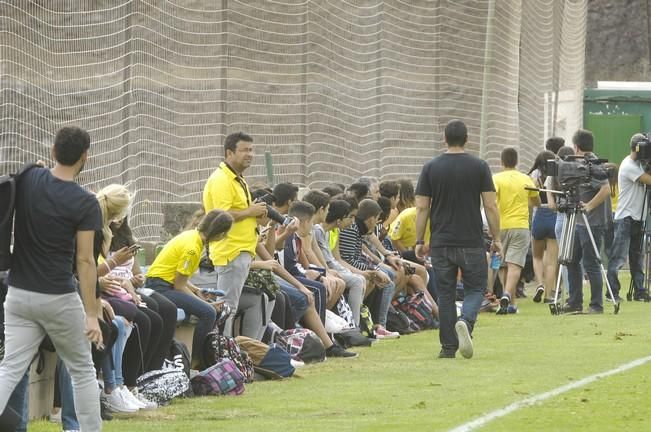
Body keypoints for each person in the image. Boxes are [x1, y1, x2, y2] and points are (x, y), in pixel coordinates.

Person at [0, 126, 103, 431]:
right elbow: (85, 260)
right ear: (86, 157)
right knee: (82, 369)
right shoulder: (86, 203)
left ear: (53, 151)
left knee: (9, 369)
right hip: (58, 297)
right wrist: (91, 314)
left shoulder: (30, 178)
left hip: (18, 294)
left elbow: (24, 175)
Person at [415, 119, 501, 359]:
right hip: (471, 240)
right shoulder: (480, 166)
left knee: (445, 294)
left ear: (444, 139)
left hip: (441, 241)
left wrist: (420, 240)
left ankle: (448, 347)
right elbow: (491, 205)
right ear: (467, 138)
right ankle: (466, 320)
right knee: (476, 288)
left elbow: (422, 207)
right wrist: (497, 238)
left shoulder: (430, 167)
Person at [146, 210, 233, 368]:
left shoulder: (192, 236)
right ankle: (195, 361)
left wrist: (196, 290)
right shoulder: (193, 248)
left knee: (207, 307)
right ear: (219, 233)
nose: (225, 237)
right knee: (208, 312)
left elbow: (179, 278)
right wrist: (203, 302)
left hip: (165, 283)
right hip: (160, 287)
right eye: (225, 233)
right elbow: (178, 286)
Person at [203, 132, 268, 336]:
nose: (250, 154)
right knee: (226, 309)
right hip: (231, 251)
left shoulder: (238, 179)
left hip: (241, 252)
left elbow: (240, 212)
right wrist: (250, 212)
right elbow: (221, 215)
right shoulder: (222, 179)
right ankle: (222, 356)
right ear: (229, 153)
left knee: (231, 306)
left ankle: (230, 352)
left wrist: (254, 216)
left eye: (251, 149)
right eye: (244, 150)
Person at [564, 129, 611, 314]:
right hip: (578, 221)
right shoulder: (581, 164)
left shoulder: (594, 165)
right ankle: (575, 301)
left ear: (576, 147)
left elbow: (605, 189)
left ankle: (596, 305)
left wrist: (589, 206)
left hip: (592, 222)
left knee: (591, 263)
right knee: (571, 260)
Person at [493, 148, 540, 314]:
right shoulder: (525, 179)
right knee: (515, 264)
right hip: (520, 225)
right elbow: (536, 201)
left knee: (501, 264)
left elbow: (490, 202)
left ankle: (508, 302)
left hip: (500, 226)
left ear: (501, 161)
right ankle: (507, 295)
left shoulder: (496, 179)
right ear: (517, 162)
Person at [607, 134, 651, 301]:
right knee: (618, 258)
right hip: (625, 218)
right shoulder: (628, 165)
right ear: (638, 148)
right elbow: (648, 180)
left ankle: (640, 291)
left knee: (637, 257)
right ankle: (611, 293)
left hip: (637, 218)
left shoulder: (641, 164)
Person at [528, 150, 559, 303]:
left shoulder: (534, 176)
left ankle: (539, 283)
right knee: (552, 260)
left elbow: (530, 197)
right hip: (554, 215)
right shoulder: (556, 174)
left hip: (539, 215)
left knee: (537, 256)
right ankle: (548, 294)